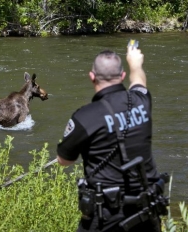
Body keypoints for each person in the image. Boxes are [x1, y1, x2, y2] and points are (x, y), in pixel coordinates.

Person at [57, 45, 168, 231]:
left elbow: (64, 160)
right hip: (146, 213)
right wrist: (135, 63)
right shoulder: (142, 101)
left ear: (92, 77)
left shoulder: (85, 117)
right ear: (122, 76)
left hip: (105, 218)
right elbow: (139, 81)